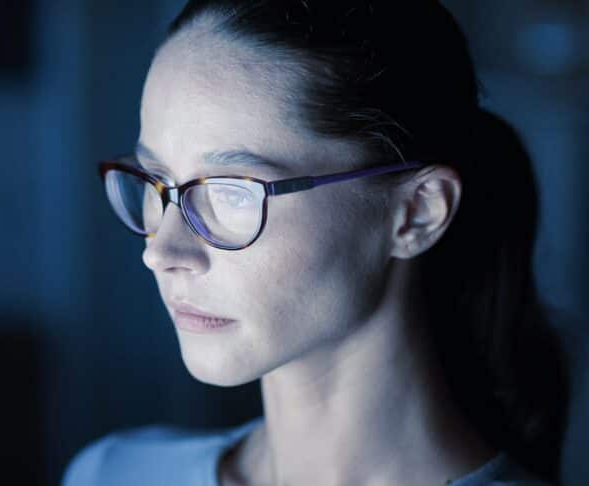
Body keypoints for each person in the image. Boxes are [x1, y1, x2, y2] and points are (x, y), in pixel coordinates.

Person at [62, 1, 569, 485]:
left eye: (232, 191)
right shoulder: (110, 474)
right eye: (156, 179)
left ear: (416, 214)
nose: (161, 252)